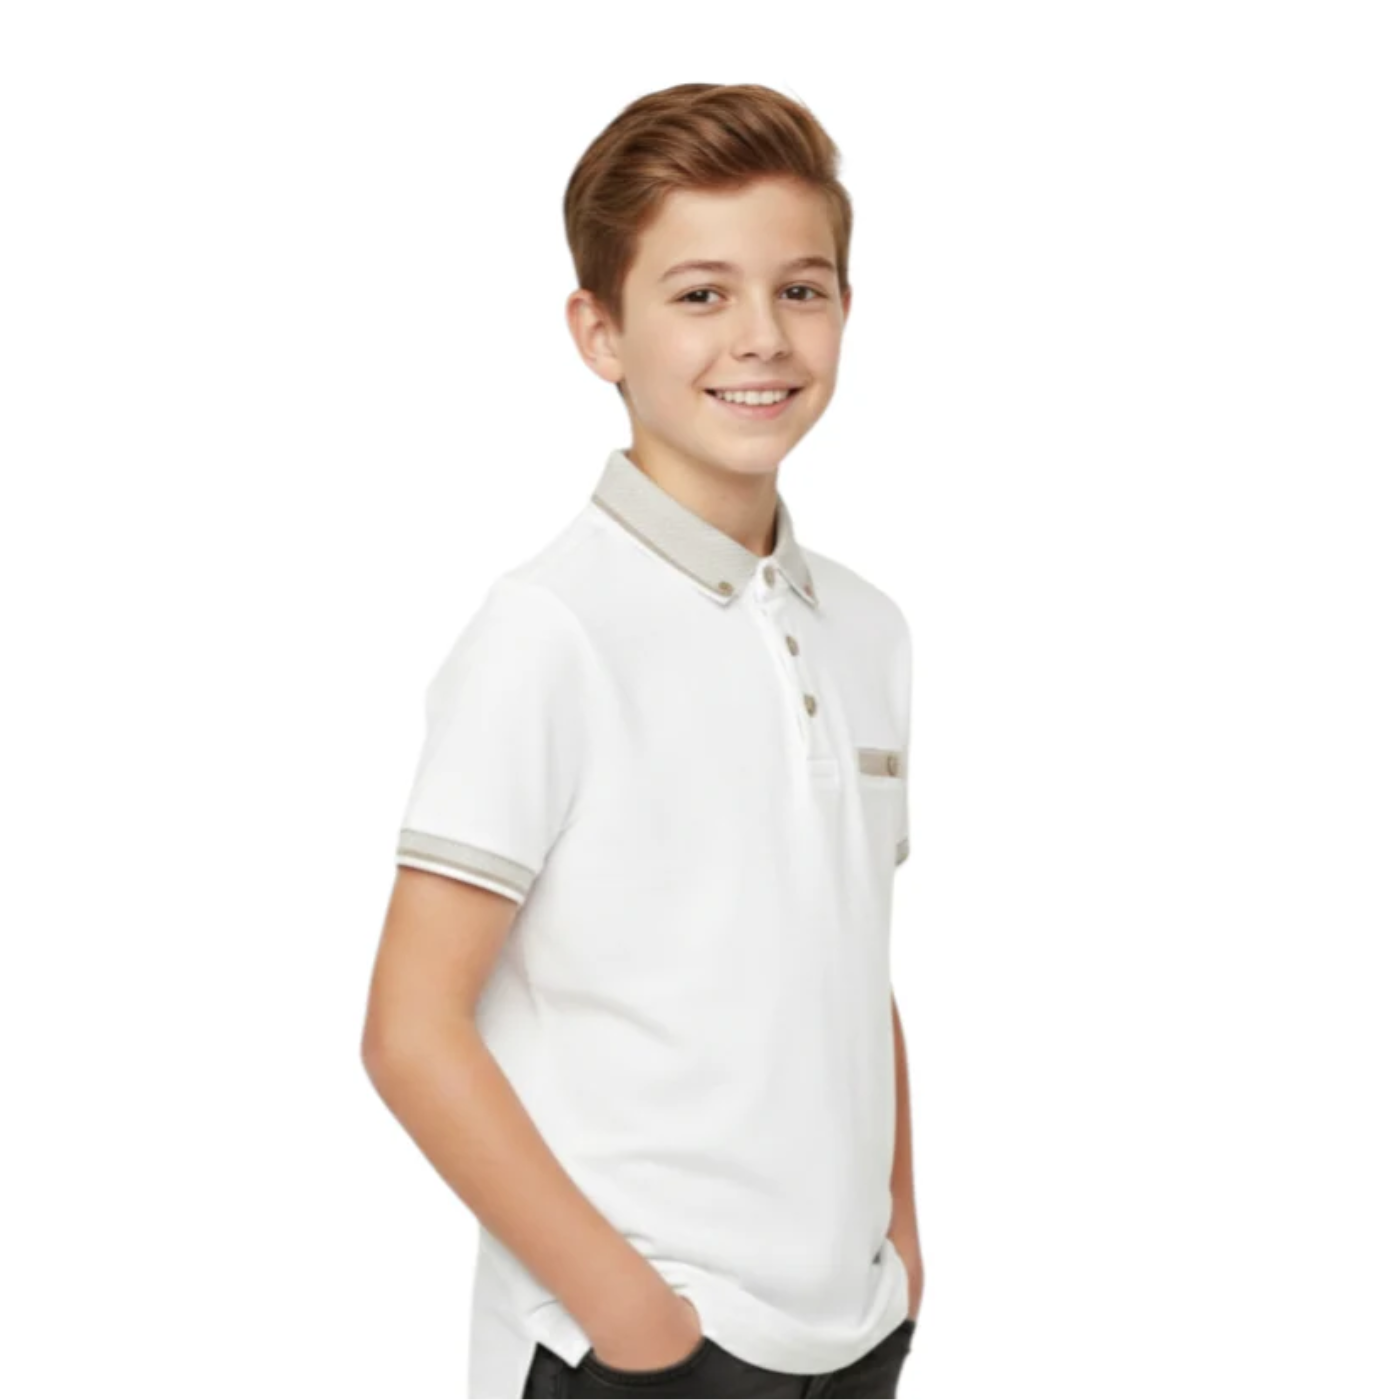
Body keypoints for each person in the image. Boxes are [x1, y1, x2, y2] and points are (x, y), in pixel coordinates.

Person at [361, 82, 922, 1399]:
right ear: (599, 332)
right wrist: (634, 1317)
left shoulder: (868, 630)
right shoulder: (548, 630)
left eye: (800, 289)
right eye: (700, 294)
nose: (760, 336)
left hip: (851, 1334)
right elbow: (410, 1028)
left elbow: (847, 952)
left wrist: (901, 1245)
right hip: (648, 1345)